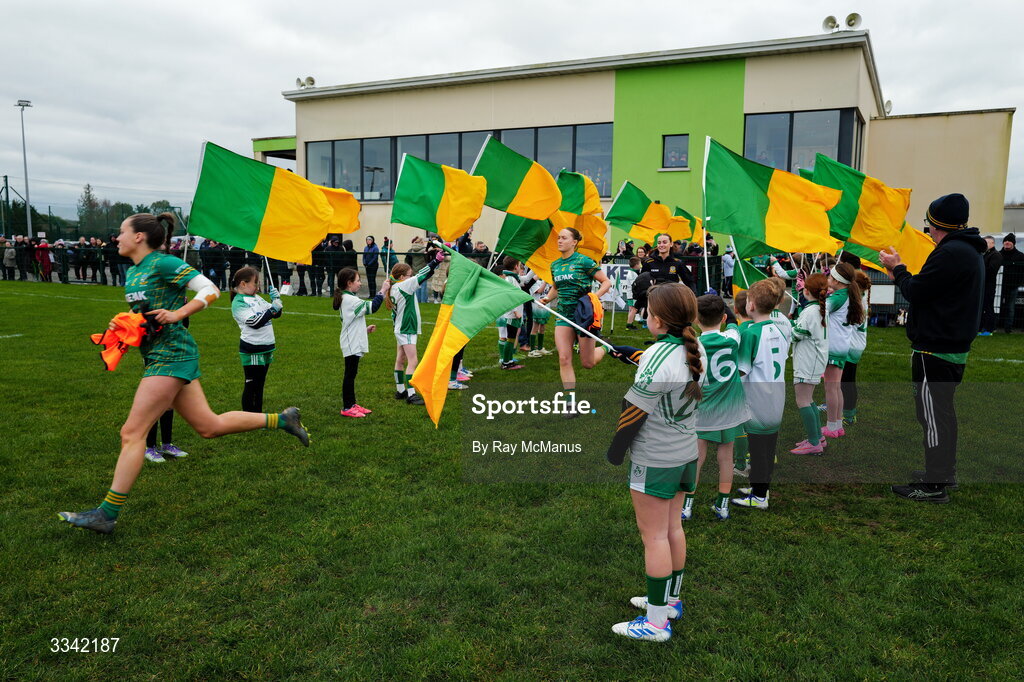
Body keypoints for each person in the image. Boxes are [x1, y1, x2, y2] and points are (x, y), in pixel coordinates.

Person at [57, 213, 309, 535]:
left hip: (172, 356)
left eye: (121, 231)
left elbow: (209, 289)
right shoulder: (133, 272)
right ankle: (283, 420)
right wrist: (125, 324)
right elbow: (146, 317)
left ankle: (106, 513)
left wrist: (179, 313)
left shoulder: (162, 263)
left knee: (131, 434)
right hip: (158, 356)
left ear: (138, 237)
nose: (116, 237)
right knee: (209, 426)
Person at [604, 282, 704, 642]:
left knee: (655, 537)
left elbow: (633, 412)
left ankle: (657, 623)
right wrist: (633, 354)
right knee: (673, 528)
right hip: (685, 453)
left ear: (657, 319)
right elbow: (664, 370)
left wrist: (616, 450)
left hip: (656, 458)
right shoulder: (695, 346)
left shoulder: (661, 358)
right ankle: (670, 602)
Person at [879, 194, 985, 502]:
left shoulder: (951, 253)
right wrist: (900, 274)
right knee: (942, 413)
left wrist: (898, 269)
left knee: (932, 416)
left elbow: (918, 292)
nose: (929, 232)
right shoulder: (969, 251)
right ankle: (943, 472)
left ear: (938, 226)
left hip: (935, 349)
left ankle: (934, 485)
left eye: (930, 226)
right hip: (952, 346)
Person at [732, 279, 791, 510]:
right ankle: (761, 488)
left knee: (757, 450)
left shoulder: (750, 333)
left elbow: (741, 371)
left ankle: (758, 497)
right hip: (776, 395)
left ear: (752, 305)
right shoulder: (779, 328)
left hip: (757, 398)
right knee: (768, 447)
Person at [688, 294, 748, 521]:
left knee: (696, 458)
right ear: (722, 317)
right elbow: (733, 323)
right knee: (726, 458)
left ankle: (686, 506)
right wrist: (725, 309)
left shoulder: (694, 344)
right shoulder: (732, 339)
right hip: (729, 408)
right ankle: (722, 505)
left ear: (696, 319)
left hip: (703, 407)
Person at [537, 227, 612, 393]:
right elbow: (556, 287)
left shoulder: (584, 261)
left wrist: (594, 297)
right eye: (559, 238)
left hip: (584, 315)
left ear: (574, 242)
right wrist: (548, 298)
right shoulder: (555, 265)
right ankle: (570, 402)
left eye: (564, 238)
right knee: (564, 358)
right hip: (563, 315)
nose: (559, 241)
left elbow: (606, 282)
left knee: (588, 363)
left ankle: (605, 346)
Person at [387, 251, 445, 405]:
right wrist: (435, 261)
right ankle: (411, 394)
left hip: (400, 328)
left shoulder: (394, 287)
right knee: (413, 361)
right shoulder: (404, 285)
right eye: (408, 275)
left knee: (400, 359)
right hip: (407, 328)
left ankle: (400, 390)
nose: (411, 277)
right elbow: (422, 275)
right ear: (401, 277)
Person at [334, 267, 390, 417]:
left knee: (352, 373)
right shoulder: (351, 300)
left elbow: (351, 321)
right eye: (358, 280)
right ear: (349, 283)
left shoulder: (347, 298)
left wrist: (364, 330)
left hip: (352, 340)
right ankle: (347, 407)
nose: (360, 283)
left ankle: (351, 404)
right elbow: (372, 307)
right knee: (350, 374)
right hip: (351, 343)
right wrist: (383, 290)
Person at [230, 266, 283, 412]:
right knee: (252, 383)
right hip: (253, 348)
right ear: (243, 284)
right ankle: (249, 416)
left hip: (266, 346)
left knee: (260, 384)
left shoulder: (256, 298)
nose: (258, 286)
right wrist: (272, 309)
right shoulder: (239, 302)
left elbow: (275, 314)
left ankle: (257, 416)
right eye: (255, 283)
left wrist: (276, 300)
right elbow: (254, 322)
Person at [820, 262, 863, 439]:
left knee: (830, 388)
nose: (828, 279)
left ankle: (831, 425)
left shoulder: (838, 297)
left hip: (833, 347)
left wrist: (812, 296)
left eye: (830, 277)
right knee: (836, 387)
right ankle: (837, 424)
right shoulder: (847, 294)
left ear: (837, 281)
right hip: (843, 346)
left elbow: (819, 311)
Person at [789, 273, 829, 455]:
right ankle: (817, 436)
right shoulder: (816, 309)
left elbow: (797, 333)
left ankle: (814, 442)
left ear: (805, 290)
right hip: (813, 360)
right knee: (809, 400)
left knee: (803, 400)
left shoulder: (812, 311)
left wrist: (783, 325)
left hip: (809, 361)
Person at [841, 270, 872, 426]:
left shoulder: (856, 301)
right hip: (854, 344)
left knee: (847, 382)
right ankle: (844, 411)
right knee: (844, 381)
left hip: (851, 346)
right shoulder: (860, 298)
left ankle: (849, 415)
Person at [497, 257, 526, 370]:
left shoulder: (514, 278)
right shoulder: (509, 279)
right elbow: (509, 295)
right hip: (512, 314)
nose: (520, 267)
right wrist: (515, 311)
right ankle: (506, 363)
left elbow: (527, 279)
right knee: (510, 338)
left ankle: (509, 361)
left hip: (515, 313)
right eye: (519, 265)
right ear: (515, 267)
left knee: (511, 338)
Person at [999, 233, 1022, 333]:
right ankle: (995, 326)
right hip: (998, 286)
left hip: (1013, 286)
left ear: (1014, 243)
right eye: (1005, 241)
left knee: (1010, 308)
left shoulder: (1020, 256)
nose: (1007, 242)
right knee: (995, 306)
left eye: (1009, 241)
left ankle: (1008, 328)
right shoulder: (997, 254)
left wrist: (1018, 283)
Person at [979, 236, 1002, 335]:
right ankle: (981, 328)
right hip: (982, 284)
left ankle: (989, 329)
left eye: (987, 243)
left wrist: (980, 270)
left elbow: (992, 270)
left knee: (988, 307)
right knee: (982, 307)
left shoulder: (996, 255)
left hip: (989, 285)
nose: (985, 245)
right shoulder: (984, 254)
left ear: (993, 243)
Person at [527, 276, 553, 357]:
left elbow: (549, 293)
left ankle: (540, 348)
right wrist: (545, 282)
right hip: (537, 307)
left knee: (542, 327)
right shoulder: (534, 281)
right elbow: (539, 291)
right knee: (535, 327)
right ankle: (531, 350)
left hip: (545, 307)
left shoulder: (545, 281)